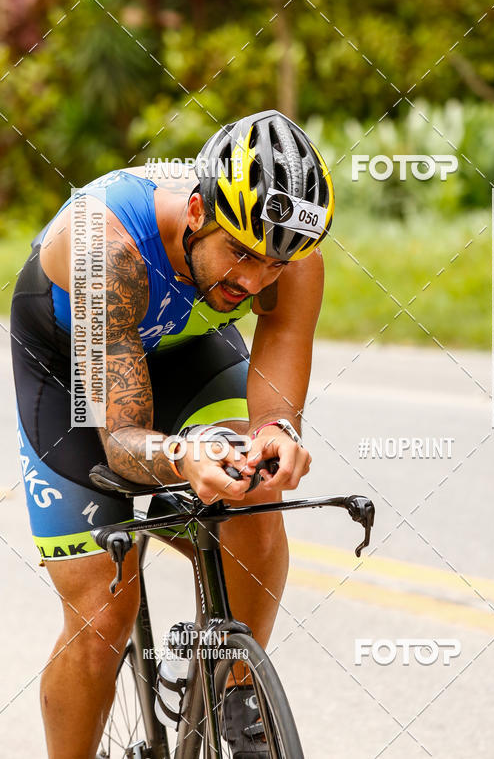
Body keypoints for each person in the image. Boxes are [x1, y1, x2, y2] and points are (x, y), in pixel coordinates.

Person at [10, 108, 334, 758]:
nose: (254, 281)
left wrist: (276, 432)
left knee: (255, 490)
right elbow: (123, 441)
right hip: (72, 373)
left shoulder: (289, 254)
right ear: (195, 210)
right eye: (240, 253)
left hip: (185, 352)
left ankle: (235, 698)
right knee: (103, 614)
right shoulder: (107, 249)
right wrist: (185, 456)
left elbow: (276, 390)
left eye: (273, 264)